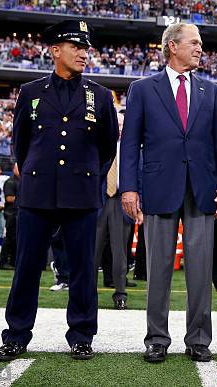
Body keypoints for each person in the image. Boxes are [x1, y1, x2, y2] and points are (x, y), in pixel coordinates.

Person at [0, 20, 118, 362]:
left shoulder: (101, 95)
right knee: (27, 267)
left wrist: (91, 179)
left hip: (81, 194)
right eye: (76, 47)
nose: (83, 53)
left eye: (85, 48)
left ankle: (81, 335)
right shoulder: (31, 92)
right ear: (55, 50)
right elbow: (20, 143)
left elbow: (108, 147)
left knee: (82, 270)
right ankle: (16, 334)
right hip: (37, 194)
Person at [120, 23, 217, 364]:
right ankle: (156, 338)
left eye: (201, 44)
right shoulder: (142, 89)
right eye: (194, 43)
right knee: (158, 269)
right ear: (172, 46)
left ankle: (199, 339)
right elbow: (130, 144)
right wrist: (128, 188)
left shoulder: (211, 91)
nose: (200, 48)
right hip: (158, 187)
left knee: (200, 269)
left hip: (201, 189)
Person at [95, 111, 133, 310]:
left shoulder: (132, 149)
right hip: (97, 203)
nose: (118, 128)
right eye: (115, 123)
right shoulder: (98, 146)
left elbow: (140, 177)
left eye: (121, 125)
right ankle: (87, 294)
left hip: (122, 202)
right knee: (91, 253)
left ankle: (120, 294)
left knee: (120, 254)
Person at [0, 163, 19, 270]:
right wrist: (26, 198)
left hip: (18, 213)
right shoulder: (10, 182)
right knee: (9, 238)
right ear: (13, 169)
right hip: (11, 213)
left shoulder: (22, 181)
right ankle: (3, 262)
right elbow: (10, 199)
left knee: (16, 239)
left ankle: (13, 261)